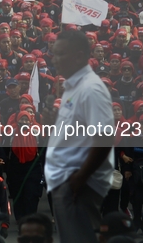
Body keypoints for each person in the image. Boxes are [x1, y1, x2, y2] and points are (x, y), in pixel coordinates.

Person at [45, 30, 115, 243]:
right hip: (67, 181)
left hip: (78, 184)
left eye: (61, 54)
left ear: (79, 55)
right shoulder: (72, 87)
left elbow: (104, 138)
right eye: (54, 54)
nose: (55, 60)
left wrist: (80, 178)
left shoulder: (91, 89)